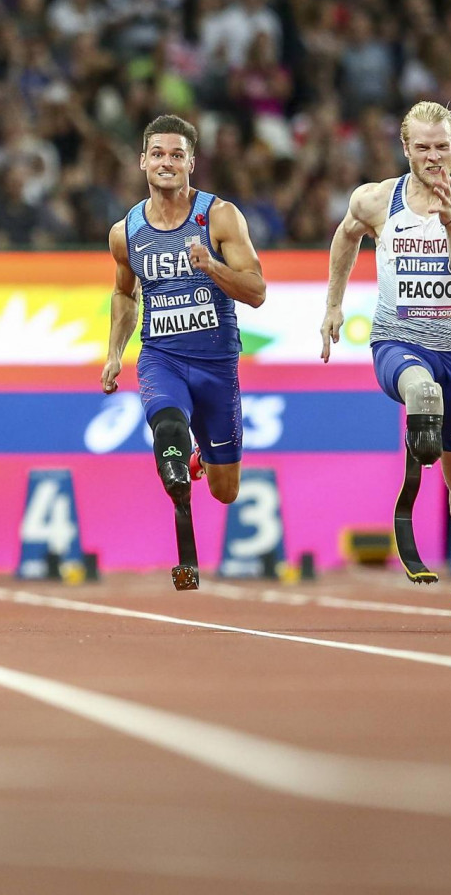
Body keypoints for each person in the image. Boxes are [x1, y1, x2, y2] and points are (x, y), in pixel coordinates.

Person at [321, 101, 451, 630]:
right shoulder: (376, 199)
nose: (433, 156)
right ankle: (421, 411)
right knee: (421, 389)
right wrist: (333, 305)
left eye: (442, 147)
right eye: (422, 147)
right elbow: (345, 235)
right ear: (405, 148)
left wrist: (450, 224)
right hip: (398, 343)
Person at [102, 115, 267, 591]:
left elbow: (256, 291)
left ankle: (199, 458)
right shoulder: (125, 231)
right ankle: (179, 471)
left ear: (191, 163)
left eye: (177, 155)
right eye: (158, 154)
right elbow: (124, 294)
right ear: (142, 162)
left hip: (216, 365)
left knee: (225, 490)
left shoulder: (220, 217)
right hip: (162, 359)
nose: (166, 163)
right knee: (167, 426)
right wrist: (114, 353)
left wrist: (211, 266)